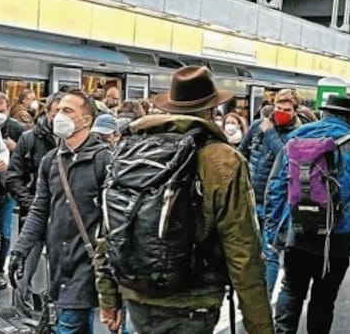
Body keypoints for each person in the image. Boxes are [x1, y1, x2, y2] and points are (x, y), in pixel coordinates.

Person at [95, 66, 273, 334]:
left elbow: (110, 231)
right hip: (193, 301)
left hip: (137, 294)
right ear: (213, 110)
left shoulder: (130, 150)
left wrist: (108, 297)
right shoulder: (222, 159)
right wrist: (259, 326)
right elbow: (243, 250)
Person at [266, 95, 350, 334]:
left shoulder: (295, 139)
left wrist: (274, 232)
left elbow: (275, 188)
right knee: (324, 299)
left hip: (297, 232)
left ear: (324, 114)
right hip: (337, 239)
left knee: (291, 290)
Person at [9, 89, 110, 334]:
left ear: (86, 120)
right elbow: (39, 209)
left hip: (87, 264)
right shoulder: (51, 161)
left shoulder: (104, 160)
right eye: (57, 111)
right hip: (58, 264)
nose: (58, 117)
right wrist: (20, 250)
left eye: (68, 111)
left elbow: (113, 219)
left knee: (70, 324)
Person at [6, 91, 64, 315]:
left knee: (60, 271)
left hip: (63, 219)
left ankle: (53, 311)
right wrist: (30, 203)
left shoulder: (79, 144)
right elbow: (13, 177)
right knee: (26, 267)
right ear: (47, 112)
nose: (60, 117)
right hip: (35, 214)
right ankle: (24, 310)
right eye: (56, 112)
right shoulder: (29, 139)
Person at [239, 88, 303, 292]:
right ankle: (249, 298)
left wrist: (270, 133)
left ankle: (264, 303)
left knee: (270, 253)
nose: (280, 112)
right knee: (246, 252)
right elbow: (242, 153)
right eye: (277, 107)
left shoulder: (298, 134)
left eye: (286, 109)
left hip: (275, 203)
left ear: (295, 111)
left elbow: (287, 160)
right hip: (250, 197)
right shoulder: (257, 126)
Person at [0, 91, 25, 289]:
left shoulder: (17, 129)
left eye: (1, 110)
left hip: (7, 189)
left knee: (4, 231)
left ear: (8, 109)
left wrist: (14, 149)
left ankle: (0, 270)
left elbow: (28, 158)